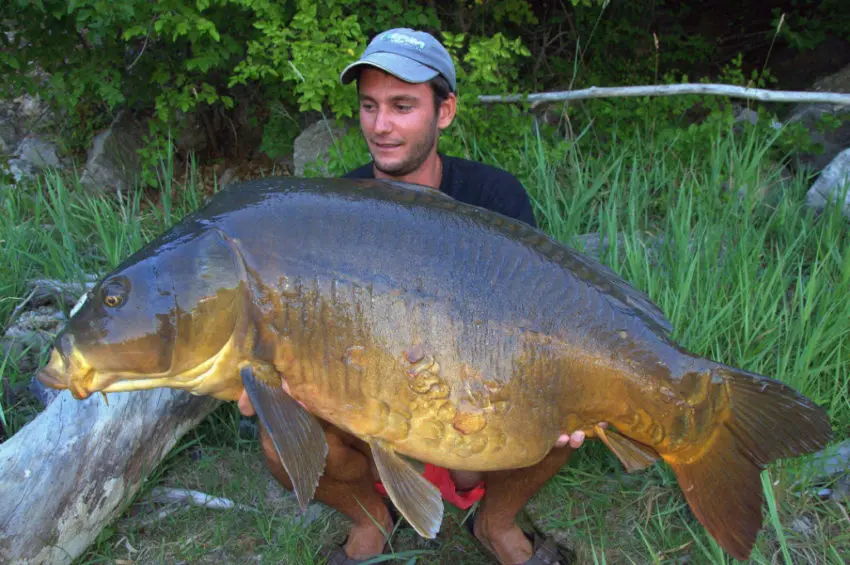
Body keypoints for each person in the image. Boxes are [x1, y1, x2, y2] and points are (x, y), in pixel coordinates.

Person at [238, 28, 595, 565]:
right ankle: (371, 518)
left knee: (564, 419)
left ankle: (495, 523)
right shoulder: (342, 204)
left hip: (471, 396)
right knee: (275, 440)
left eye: (402, 106)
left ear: (444, 111)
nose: (381, 126)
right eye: (369, 106)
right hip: (374, 400)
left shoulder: (495, 197)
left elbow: (529, 319)